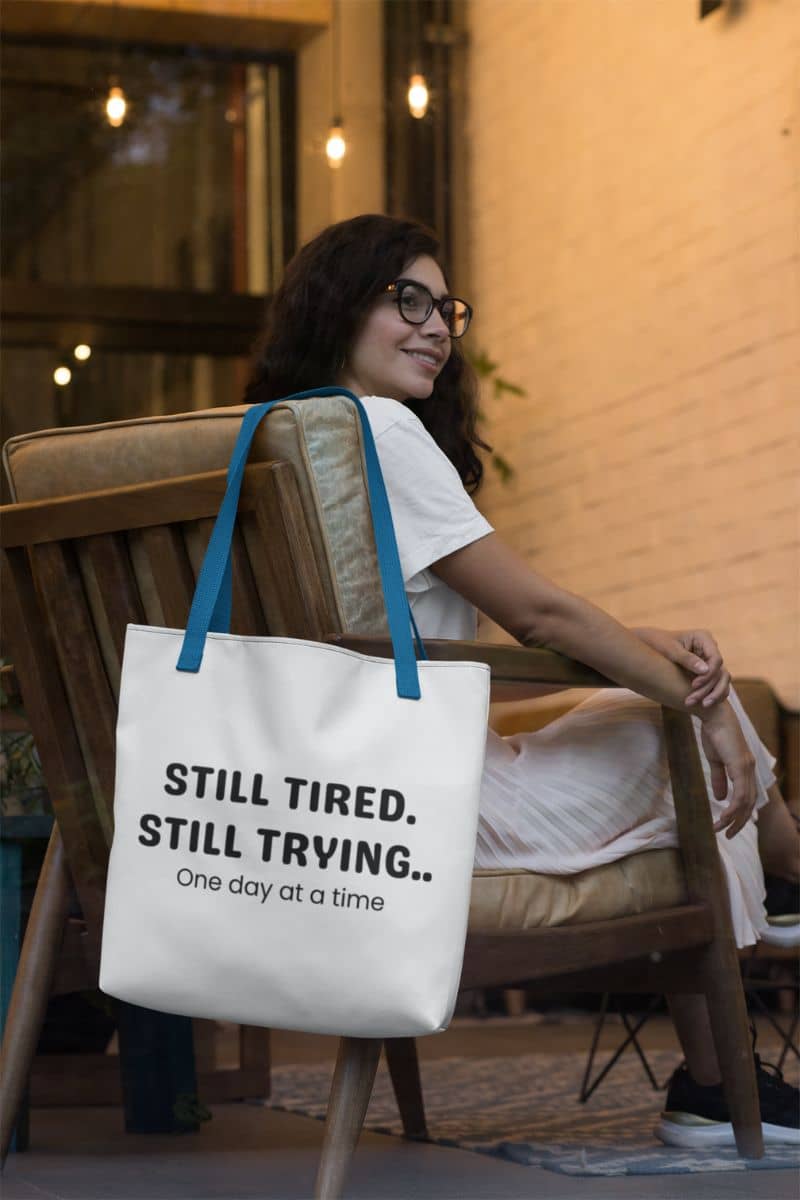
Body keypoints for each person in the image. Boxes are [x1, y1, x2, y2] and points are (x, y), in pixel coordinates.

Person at [246, 212, 799, 1147]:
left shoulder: (275, 440)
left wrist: (639, 653)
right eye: (407, 300)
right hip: (420, 805)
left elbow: (444, 652)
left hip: (317, 788)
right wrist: (697, 704)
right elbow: (537, 616)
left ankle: (763, 946)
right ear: (337, 306)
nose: (436, 328)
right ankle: (763, 945)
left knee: (659, 700)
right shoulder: (376, 429)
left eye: (445, 309)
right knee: (690, 723)